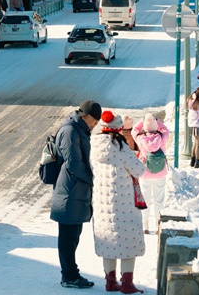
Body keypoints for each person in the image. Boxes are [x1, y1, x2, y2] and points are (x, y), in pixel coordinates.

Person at [91, 111, 147, 294]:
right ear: (118, 130)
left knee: (108, 242)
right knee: (128, 242)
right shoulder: (121, 148)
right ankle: (127, 283)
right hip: (123, 204)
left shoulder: (94, 146)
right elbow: (138, 170)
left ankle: (110, 281)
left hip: (102, 203)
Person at [51, 99, 102, 289]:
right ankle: (69, 276)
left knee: (73, 235)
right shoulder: (70, 131)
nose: (95, 124)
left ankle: (71, 273)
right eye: (94, 120)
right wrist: (92, 178)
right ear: (86, 116)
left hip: (74, 190)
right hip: (69, 191)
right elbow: (73, 163)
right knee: (68, 237)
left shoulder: (78, 129)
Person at [131, 114, 170, 235]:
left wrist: (143, 121)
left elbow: (134, 130)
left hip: (145, 173)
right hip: (160, 173)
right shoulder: (162, 137)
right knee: (159, 199)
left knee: (145, 199)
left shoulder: (140, 138)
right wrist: (157, 121)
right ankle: (159, 225)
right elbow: (165, 130)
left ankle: (145, 226)